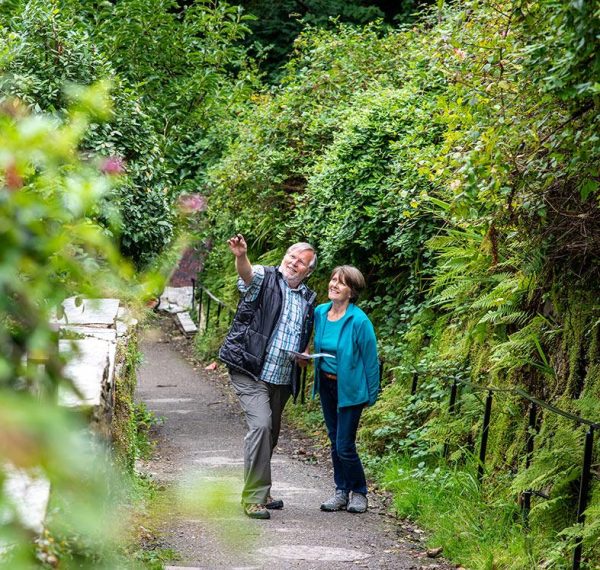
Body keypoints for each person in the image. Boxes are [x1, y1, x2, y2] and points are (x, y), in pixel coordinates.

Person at [219, 234, 317, 519]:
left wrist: (304, 352)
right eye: (291, 256)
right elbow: (247, 275)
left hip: (282, 376)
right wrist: (240, 256)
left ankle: (262, 489)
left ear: (308, 271)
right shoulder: (265, 277)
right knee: (261, 426)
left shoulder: (308, 298)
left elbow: (301, 332)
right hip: (250, 369)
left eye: (301, 262)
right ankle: (253, 498)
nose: (293, 263)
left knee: (270, 434)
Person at [312, 265, 379, 514]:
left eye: (341, 283)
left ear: (351, 291)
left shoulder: (359, 320)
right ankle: (341, 491)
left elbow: (371, 361)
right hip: (327, 384)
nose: (334, 285)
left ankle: (359, 492)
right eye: (332, 280)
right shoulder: (320, 313)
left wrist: (371, 395)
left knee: (344, 445)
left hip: (350, 389)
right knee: (334, 440)